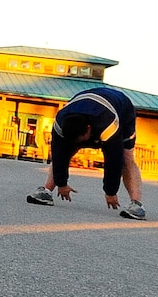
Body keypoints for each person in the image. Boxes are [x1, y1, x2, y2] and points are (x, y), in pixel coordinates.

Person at [25, 86, 143, 216]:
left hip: (122, 108)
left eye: (81, 140)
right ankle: (46, 191)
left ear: (89, 129)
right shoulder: (60, 121)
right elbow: (59, 154)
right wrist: (62, 183)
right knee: (65, 151)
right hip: (85, 102)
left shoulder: (108, 125)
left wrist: (110, 191)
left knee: (126, 157)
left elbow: (114, 160)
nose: (80, 145)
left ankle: (136, 204)